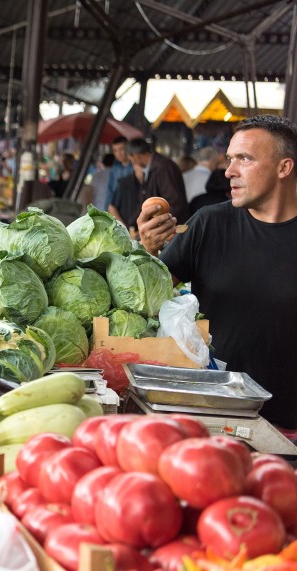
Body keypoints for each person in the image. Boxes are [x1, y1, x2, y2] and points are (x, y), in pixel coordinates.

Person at [138, 115, 297, 432]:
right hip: (213, 415)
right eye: (229, 159)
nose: (229, 171)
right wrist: (146, 250)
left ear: (284, 168)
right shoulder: (208, 223)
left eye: (245, 159)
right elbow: (147, 298)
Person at [126, 137, 190, 222]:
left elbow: (175, 203)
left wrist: (156, 224)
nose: (132, 163)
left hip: (172, 228)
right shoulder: (151, 168)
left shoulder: (164, 167)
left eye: (131, 160)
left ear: (136, 156)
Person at [104, 136, 132, 211]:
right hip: (116, 208)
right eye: (115, 150)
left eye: (121, 149)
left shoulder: (135, 167)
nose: (118, 153)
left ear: (128, 148)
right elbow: (109, 191)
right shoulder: (114, 169)